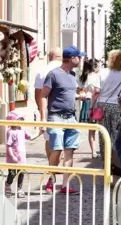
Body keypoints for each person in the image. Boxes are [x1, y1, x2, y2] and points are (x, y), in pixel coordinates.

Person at [42, 46, 84, 194]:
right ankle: (51, 179)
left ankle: (65, 185)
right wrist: (42, 118)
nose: (80, 59)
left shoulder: (73, 75)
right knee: (57, 149)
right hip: (56, 116)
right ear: (72, 58)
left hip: (71, 117)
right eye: (79, 57)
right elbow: (43, 94)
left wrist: (80, 96)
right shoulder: (53, 75)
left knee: (69, 151)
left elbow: (71, 94)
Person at [96, 50, 121, 159]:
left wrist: (91, 107)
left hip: (102, 105)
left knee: (103, 133)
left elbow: (97, 90)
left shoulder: (103, 72)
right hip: (116, 105)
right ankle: (115, 159)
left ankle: (105, 158)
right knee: (115, 132)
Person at [35, 47, 62, 160]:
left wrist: (40, 110)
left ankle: (51, 164)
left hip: (46, 110)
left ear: (50, 56)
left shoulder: (42, 71)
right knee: (62, 137)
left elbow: (37, 93)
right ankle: (57, 165)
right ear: (60, 57)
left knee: (48, 138)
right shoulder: (64, 70)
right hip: (62, 109)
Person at [5, 110, 33, 197]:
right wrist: (12, 156)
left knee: (21, 172)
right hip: (13, 158)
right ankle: (8, 184)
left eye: (21, 119)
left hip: (21, 157)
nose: (21, 121)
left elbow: (30, 138)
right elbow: (8, 146)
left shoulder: (22, 131)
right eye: (19, 119)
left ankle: (19, 189)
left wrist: (39, 133)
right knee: (12, 173)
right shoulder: (11, 132)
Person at [77, 57, 101, 158]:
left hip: (87, 103)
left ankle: (94, 151)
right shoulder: (98, 76)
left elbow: (80, 90)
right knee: (102, 128)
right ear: (95, 67)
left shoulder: (85, 77)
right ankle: (104, 150)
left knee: (91, 131)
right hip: (97, 103)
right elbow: (97, 91)